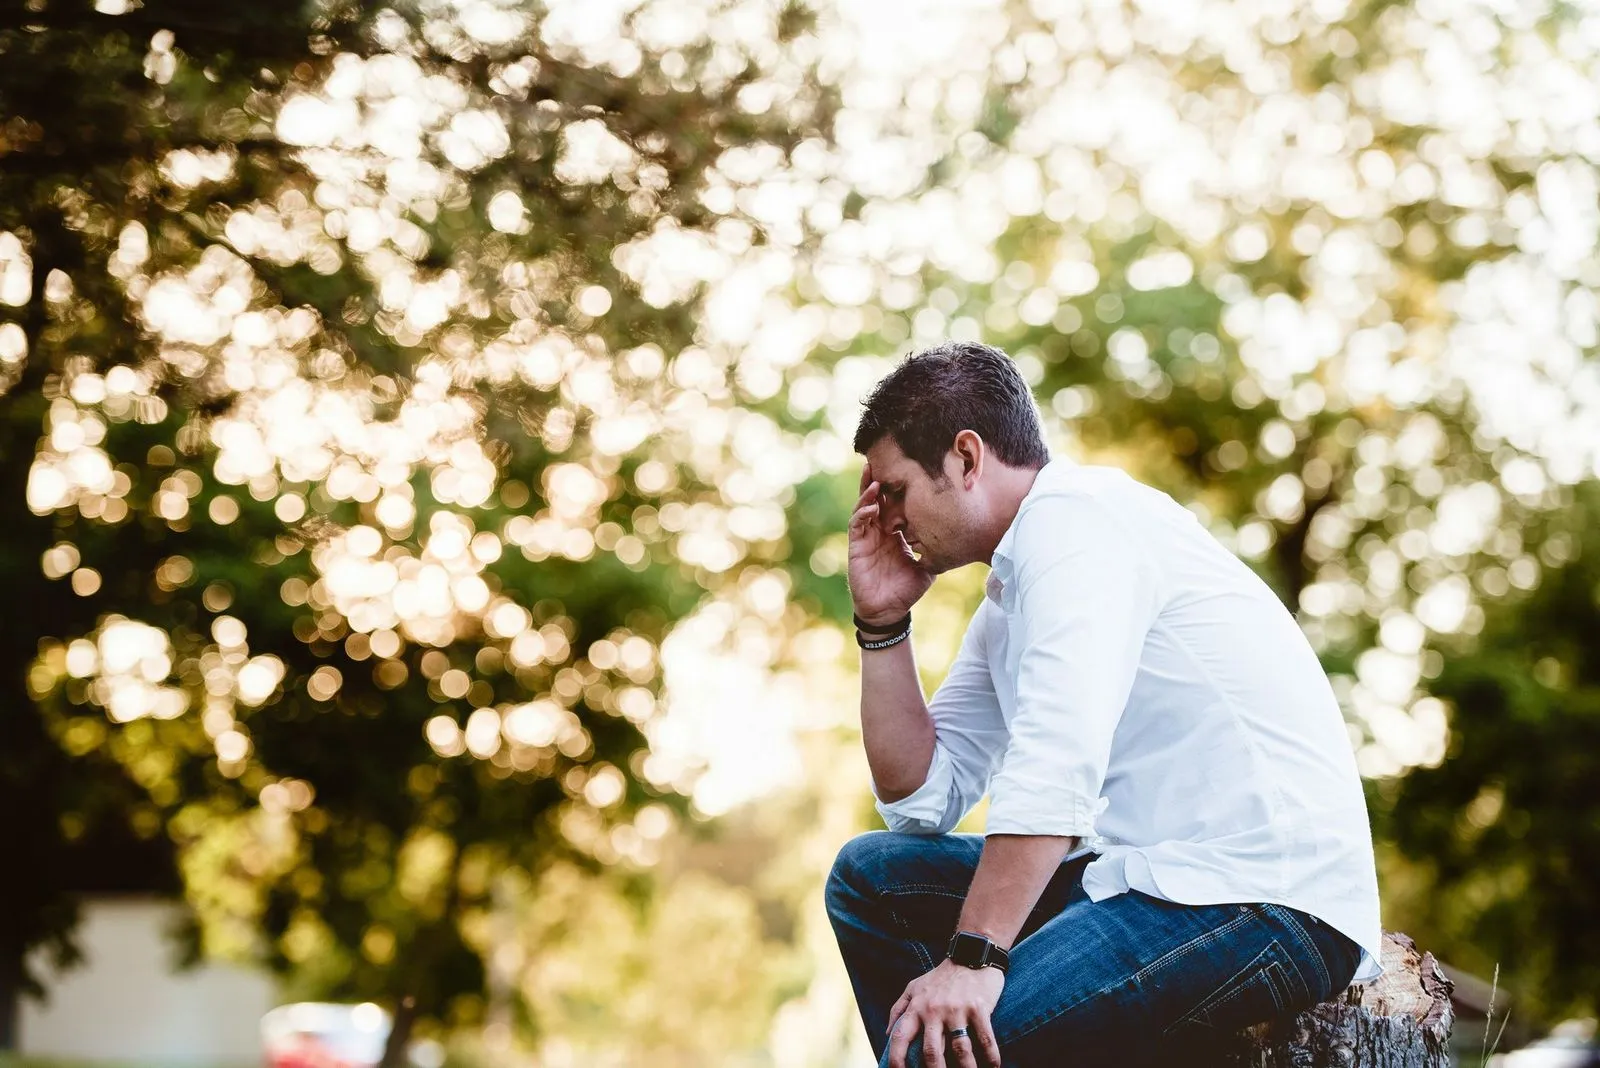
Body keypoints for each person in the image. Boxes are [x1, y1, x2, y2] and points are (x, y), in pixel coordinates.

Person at [825, 341, 1382, 1068]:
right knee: (874, 878)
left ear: (966, 458)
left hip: (1263, 899)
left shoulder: (1079, 525)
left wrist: (971, 961)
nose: (887, 519)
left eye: (894, 490)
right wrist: (882, 625)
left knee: (949, 1052)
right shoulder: (1013, 593)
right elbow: (923, 798)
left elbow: (1057, 764)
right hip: (1142, 880)